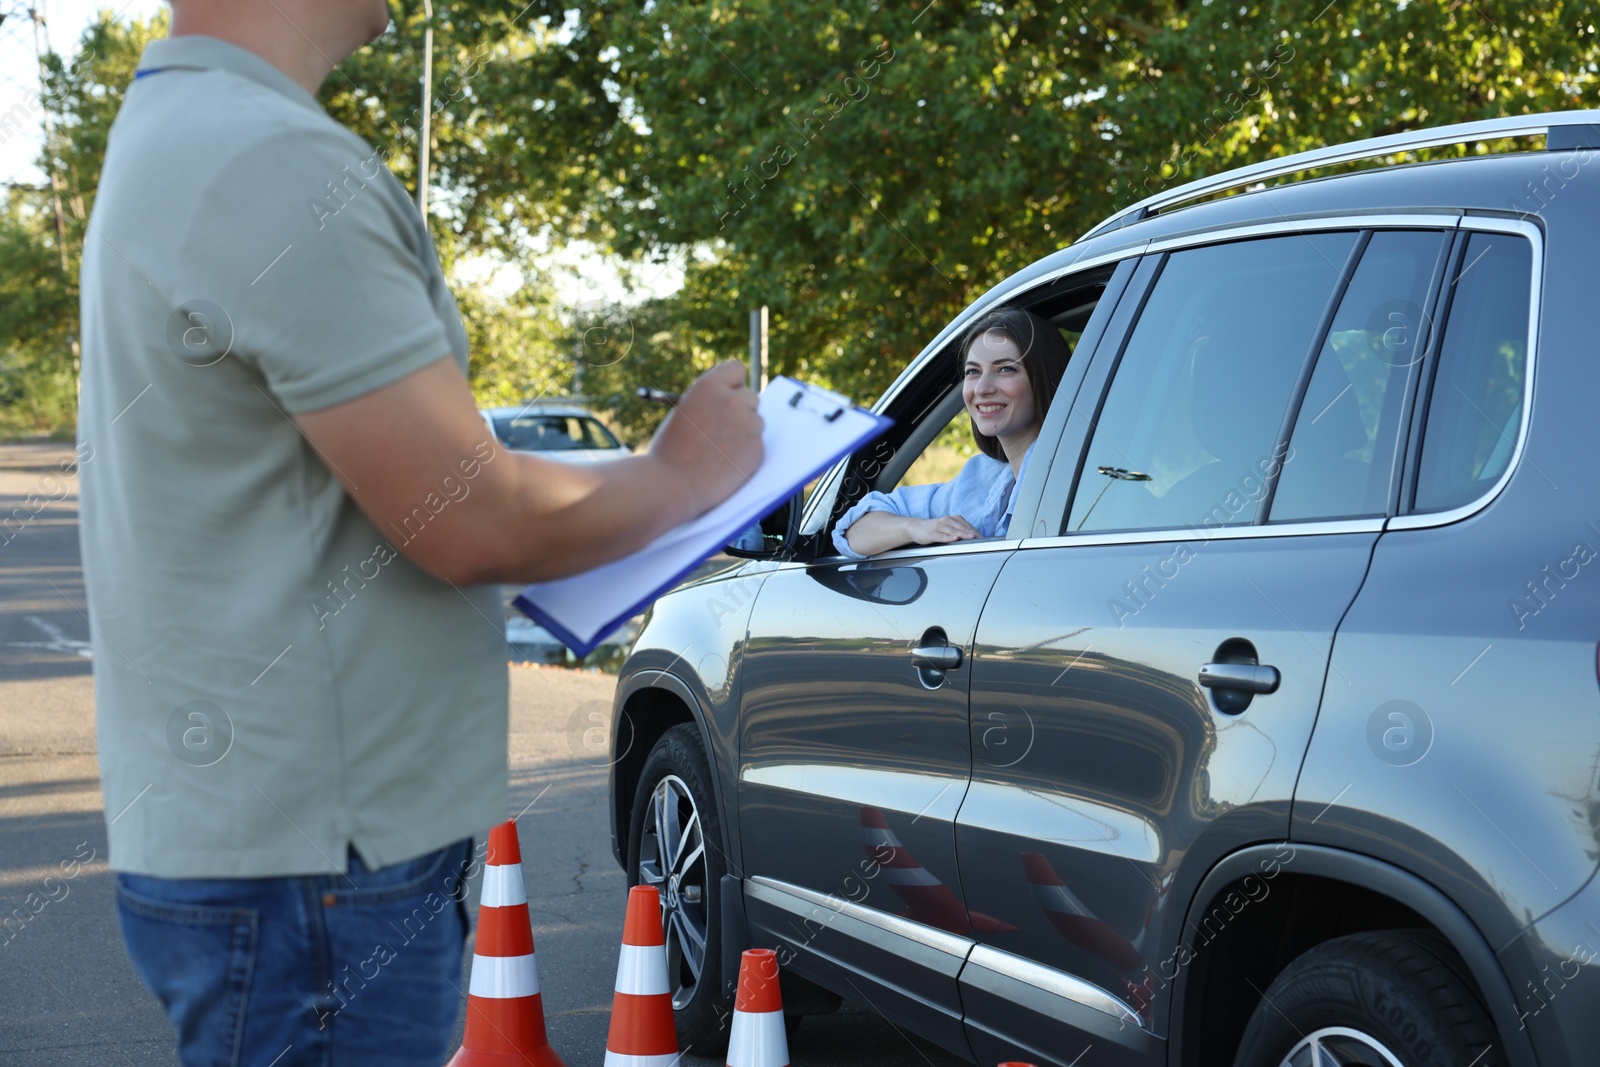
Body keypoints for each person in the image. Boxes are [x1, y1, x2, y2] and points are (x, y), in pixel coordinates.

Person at [75, 3, 761, 1065]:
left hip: (272, 843)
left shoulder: (178, 127)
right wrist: (679, 473)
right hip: (321, 862)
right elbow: (468, 517)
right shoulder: (270, 159)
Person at [833, 308, 1071, 558]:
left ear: (1044, 377)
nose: (982, 388)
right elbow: (851, 530)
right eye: (973, 372)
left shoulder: (1073, 474)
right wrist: (917, 528)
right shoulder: (980, 479)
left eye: (1005, 369)